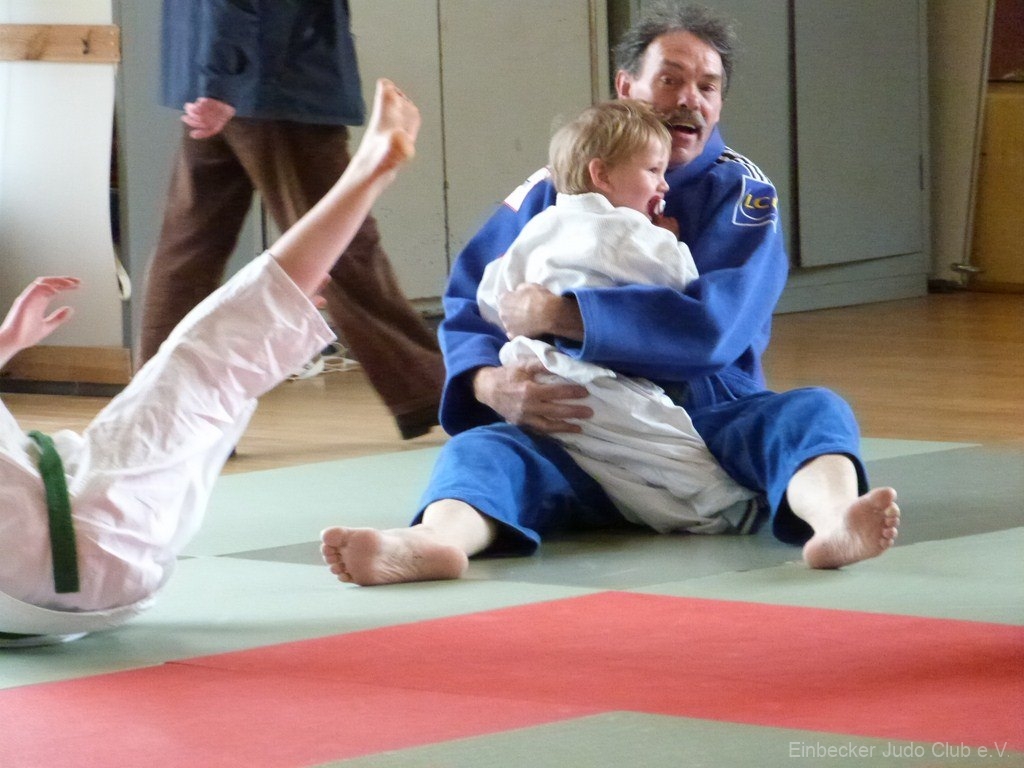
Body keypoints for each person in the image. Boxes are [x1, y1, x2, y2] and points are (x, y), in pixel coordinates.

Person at [320, 2, 900, 587]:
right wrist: (488, 383)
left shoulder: (741, 191)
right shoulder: (557, 189)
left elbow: (715, 328)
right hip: (573, 427)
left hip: (707, 425)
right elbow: (471, 301)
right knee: (484, 452)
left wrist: (564, 314)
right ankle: (434, 542)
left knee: (812, 412)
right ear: (627, 86)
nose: (690, 100)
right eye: (670, 79)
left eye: (707, 87)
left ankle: (833, 519)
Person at [0, 78, 421, 647]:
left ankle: (301, 269)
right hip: (77, 547)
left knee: (216, 362)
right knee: (207, 356)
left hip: (62, 569)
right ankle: (367, 173)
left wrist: (9, 341)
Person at [139, 0, 442, 440]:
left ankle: (158, 418)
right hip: (274, 80)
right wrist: (224, 81)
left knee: (188, 252)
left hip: (230, 77)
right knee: (342, 244)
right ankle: (433, 392)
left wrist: (217, 81)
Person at [476, 98, 755, 535]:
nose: (664, 184)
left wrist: (516, 311)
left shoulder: (538, 227)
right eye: (653, 171)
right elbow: (682, 283)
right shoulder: (626, 230)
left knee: (607, 462)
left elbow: (490, 295)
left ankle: (672, 512)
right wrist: (669, 239)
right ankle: (727, 505)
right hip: (592, 380)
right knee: (662, 441)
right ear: (601, 175)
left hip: (531, 370)